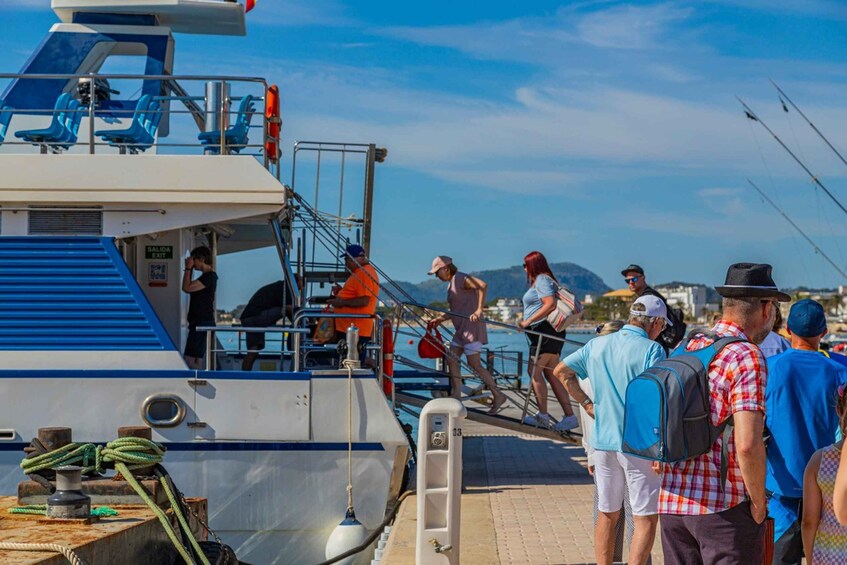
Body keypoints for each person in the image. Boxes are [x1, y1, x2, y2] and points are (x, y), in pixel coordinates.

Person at [658, 262, 789, 565]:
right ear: (766, 308)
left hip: (673, 501)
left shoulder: (688, 344)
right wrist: (758, 503)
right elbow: (747, 443)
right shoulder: (745, 355)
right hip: (723, 508)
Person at [554, 297, 667, 565]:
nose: (661, 331)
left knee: (607, 513)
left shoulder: (597, 344)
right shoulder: (652, 350)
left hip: (603, 441)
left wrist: (586, 403)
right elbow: (657, 400)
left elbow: (562, 371)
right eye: (662, 325)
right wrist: (660, 448)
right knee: (645, 517)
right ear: (656, 322)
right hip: (638, 444)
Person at [765, 298, 847, 563]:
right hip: (828, 490)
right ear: (823, 333)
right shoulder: (838, 371)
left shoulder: (769, 367)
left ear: (788, 329)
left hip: (780, 491)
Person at [426, 256, 508, 414]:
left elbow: (482, 285)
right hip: (461, 330)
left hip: (472, 328)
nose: (437, 276)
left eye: (437, 272)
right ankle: (456, 394)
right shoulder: (451, 284)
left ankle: (498, 395)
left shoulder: (460, 278)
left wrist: (479, 310)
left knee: (474, 364)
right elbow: (456, 310)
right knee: (451, 358)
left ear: (446, 268)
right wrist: (440, 319)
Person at [518, 251, 578, 432]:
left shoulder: (542, 280)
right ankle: (569, 417)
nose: (524, 269)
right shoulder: (546, 280)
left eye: (525, 265)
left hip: (544, 332)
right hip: (549, 333)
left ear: (533, 265)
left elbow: (550, 303)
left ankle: (543, 416)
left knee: (534, 371)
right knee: (551, 375)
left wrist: (527, 321)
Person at [802, 385, 847, 563]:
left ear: (838, 409)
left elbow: (808, 521)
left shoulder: (820, 460)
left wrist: (812, 559)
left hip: (829, 552)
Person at [621, 264, 686, 353]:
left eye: (634, 279)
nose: (631, 282)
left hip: (654, 346)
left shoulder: (650, 298)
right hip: (656, 345)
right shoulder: (649, 296)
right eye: (627, 281)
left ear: (643, 278)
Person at [327, 244, 380, 353]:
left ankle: (373, 364)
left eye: (348, 260)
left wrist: (341, 302)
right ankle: (372, 363)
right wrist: (341, 292)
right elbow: (357, 294)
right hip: (349, 328)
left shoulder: (364, 274)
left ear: (359, 259)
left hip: (355, 329)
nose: (347, 263)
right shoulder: (360, 273)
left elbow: (364, 300)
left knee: (352, 360)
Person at [240, 280, 293, 371]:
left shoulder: (279, 287)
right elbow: (289, 308)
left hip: (249, 317)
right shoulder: (285, 288)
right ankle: (245, 373)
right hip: (255, 317)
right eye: (301, 283)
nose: (302, 287)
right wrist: (299, 321)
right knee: (286, 308)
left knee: (254, 348)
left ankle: (245, 373)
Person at [182, 245, 218, 369]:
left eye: (194, 260)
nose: (193, 263)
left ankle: (196, 384)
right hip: (201, 322)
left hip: (202, 322)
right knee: (196, 359)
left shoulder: (210, 277)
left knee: (190, 360)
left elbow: (187, 288)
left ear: (201, 259)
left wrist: (187, 269)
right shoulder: (207, 277)